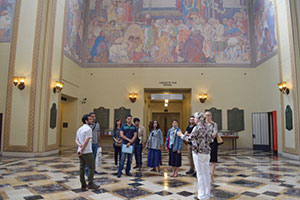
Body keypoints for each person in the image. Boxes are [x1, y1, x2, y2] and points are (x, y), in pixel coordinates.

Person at [177, 112, 217, 200]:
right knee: (206, 174)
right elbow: (211, 139)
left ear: (198, 119)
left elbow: (189, 139)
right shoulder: (208, 127)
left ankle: (202, 196)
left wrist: (181, 135)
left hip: (198, 153)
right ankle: (207, 194)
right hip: (207, 153)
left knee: (200, 174)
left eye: (194, 118)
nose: (194, 119)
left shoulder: (197, 127)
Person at [75, 114, 100, 190]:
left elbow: (76, 140)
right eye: (90, 119)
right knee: (92, 167)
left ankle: (83, 183)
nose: (92, 120)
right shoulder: (88, 129)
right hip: (87, 151)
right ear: (86, 121)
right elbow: (87, 140)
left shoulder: (79, 129)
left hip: (80, 151)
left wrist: (80, 147)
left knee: (82, 167)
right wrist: (82, 149)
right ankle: (90, 184)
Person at [205, 111, 218, 181]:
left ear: (211, 116)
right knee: (206, 159)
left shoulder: (214, 124)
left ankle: (212, 175)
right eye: (206, 115)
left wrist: (208, 135)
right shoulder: (203, 124)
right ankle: (207, 174)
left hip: (213, 143)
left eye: (209, 115)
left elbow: (214, 133)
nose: (207, 117)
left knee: (213, 159)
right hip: (205, 143)